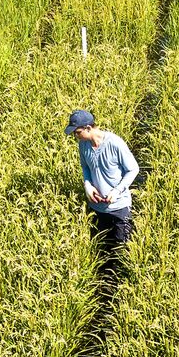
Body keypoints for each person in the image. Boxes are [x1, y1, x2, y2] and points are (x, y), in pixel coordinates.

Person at [66, 108, 139, 259]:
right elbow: (85, 167)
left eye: (77, 132)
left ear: (88, 128)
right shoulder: (83, 145)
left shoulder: (114, 143)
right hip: (97, 208)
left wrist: (117, 191)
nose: (75, 136)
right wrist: (88, 186)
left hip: (119, 208)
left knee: (122, 250)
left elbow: (133, 169)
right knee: (102, 250)